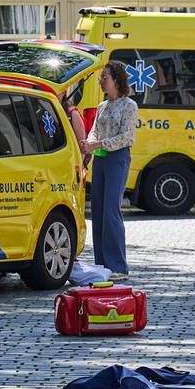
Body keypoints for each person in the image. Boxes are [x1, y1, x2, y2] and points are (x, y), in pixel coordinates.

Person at [82, 61, 138, 279]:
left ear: (116, 79)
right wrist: (89, 144)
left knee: (111, 210)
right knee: (98, 209)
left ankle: (118, 266)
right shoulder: (102, 106)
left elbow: (126, 137)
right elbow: (95, 131)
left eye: (105, 77)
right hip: (101, 159)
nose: (101, 81)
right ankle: (102, 263)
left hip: (117, 158)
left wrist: (97, 145)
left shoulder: (129, 106)